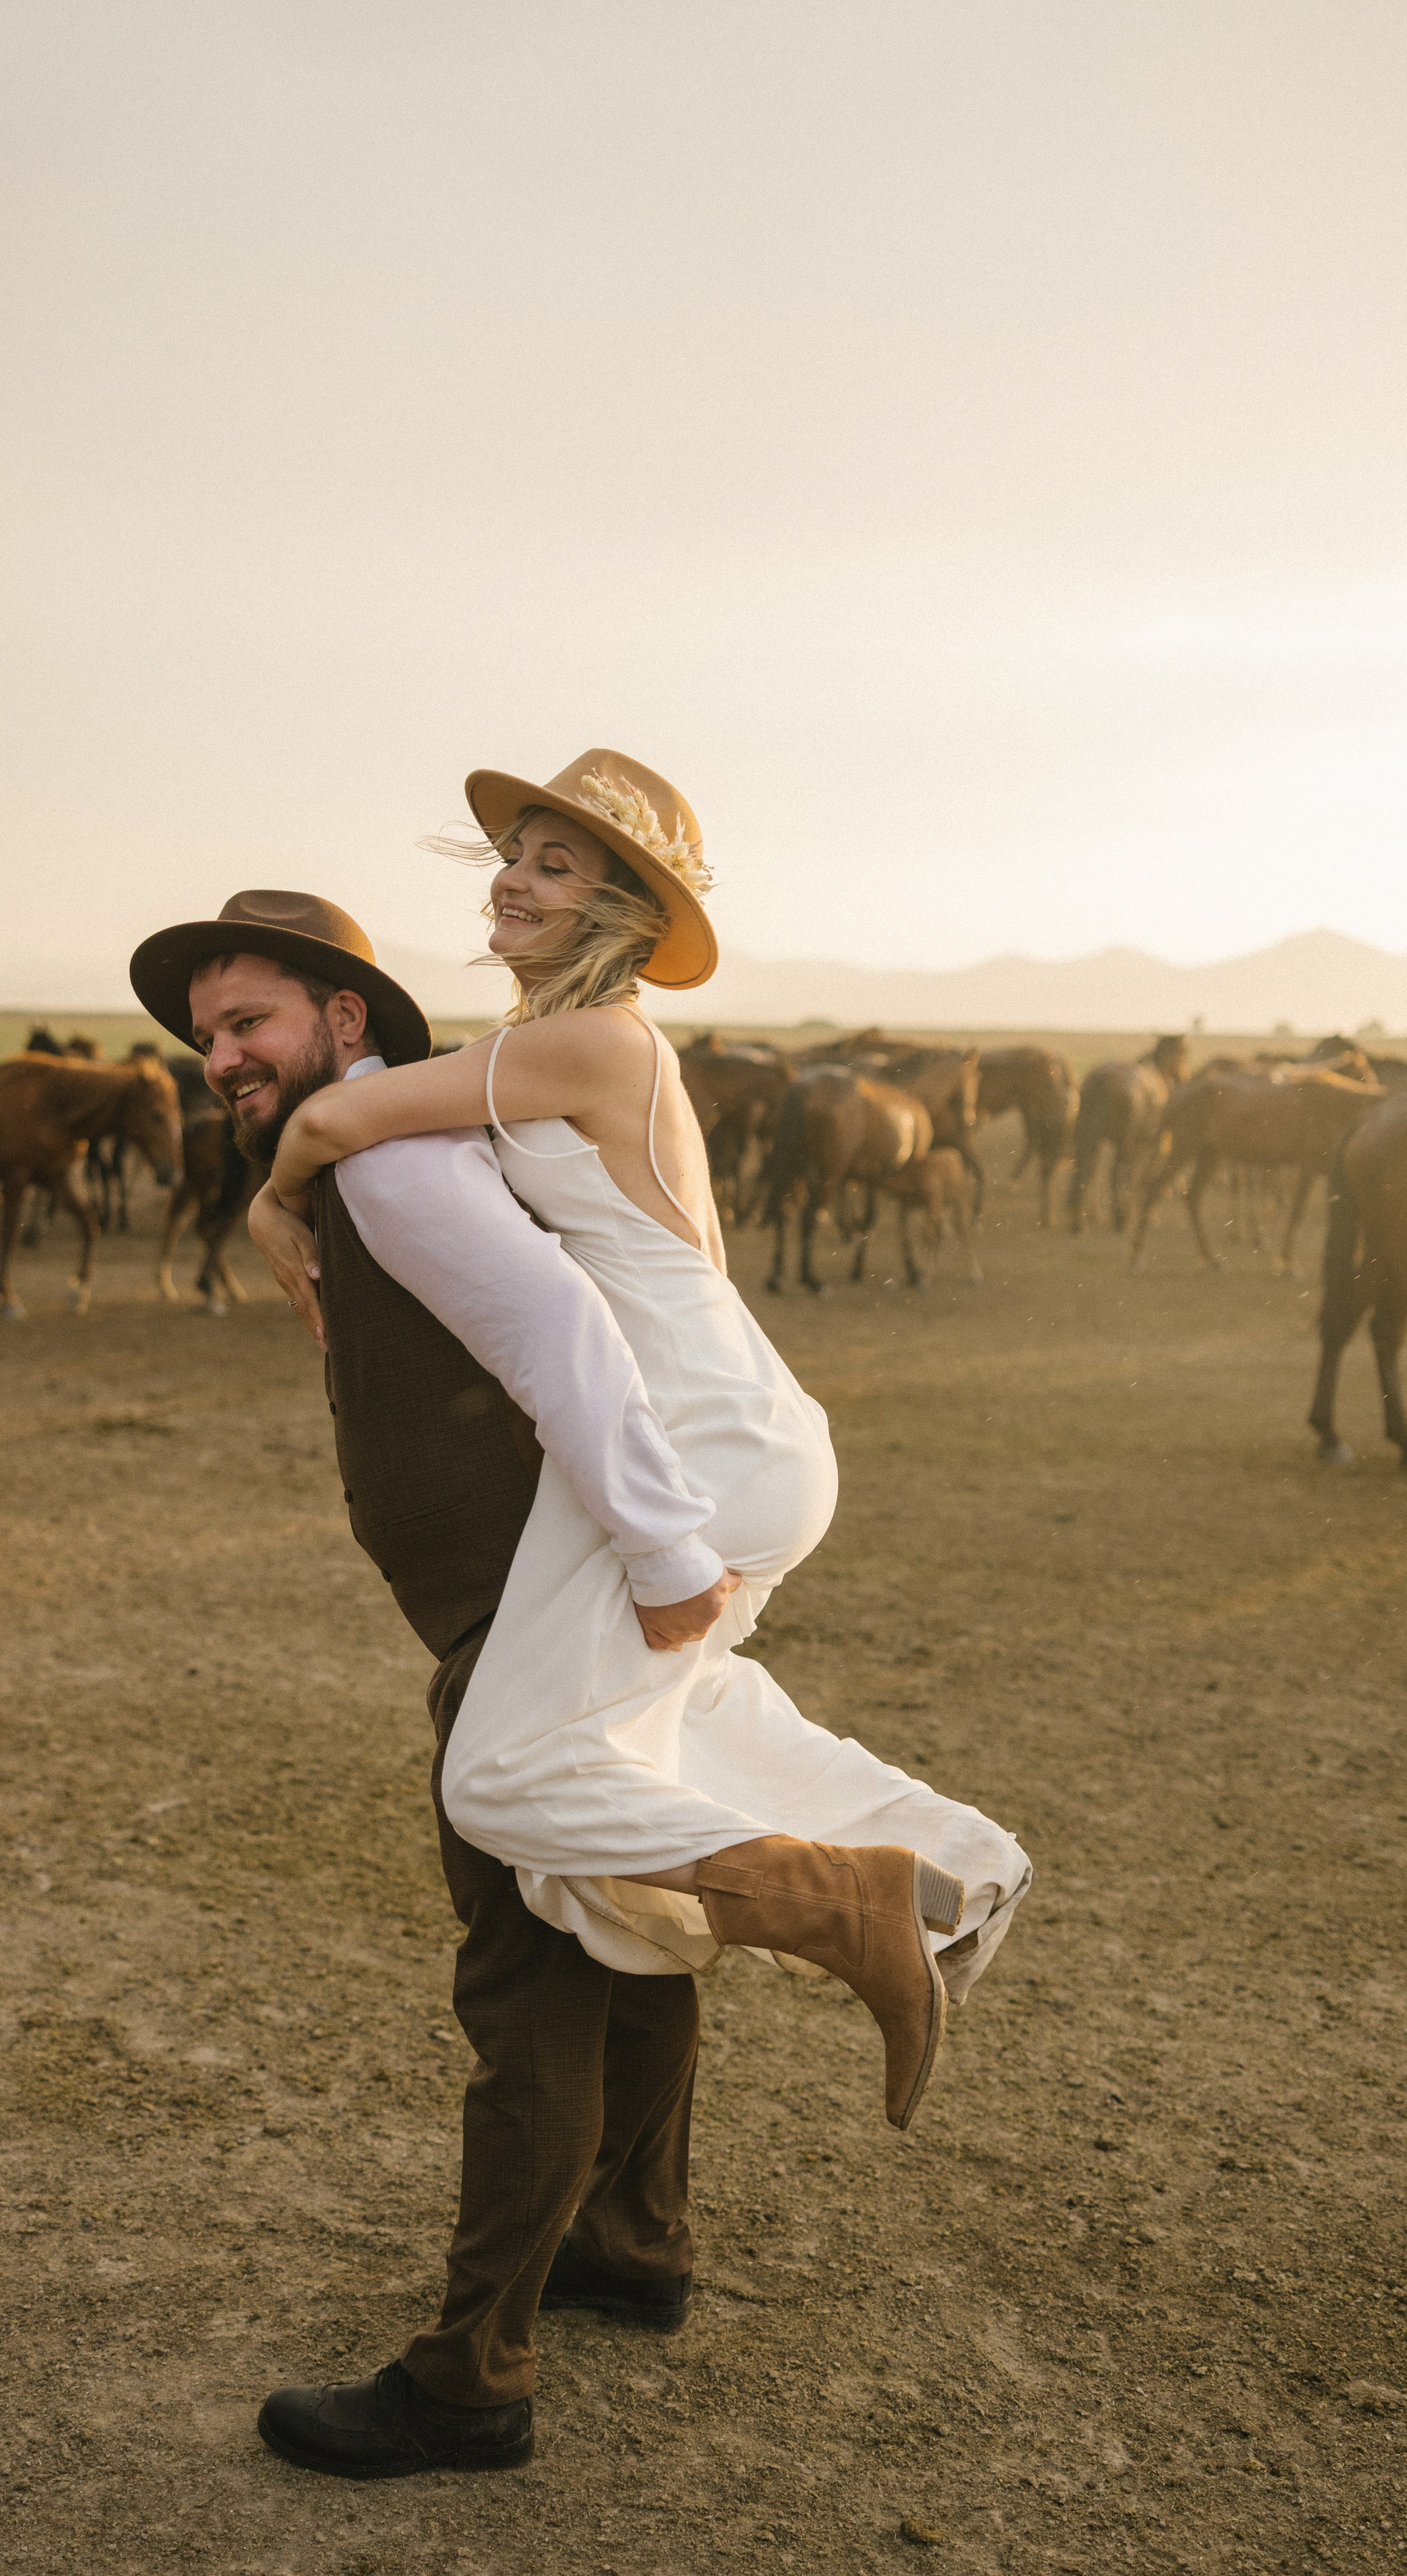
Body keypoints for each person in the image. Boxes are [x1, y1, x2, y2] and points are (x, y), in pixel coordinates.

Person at [250, 750, 1030, 2125]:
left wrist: (273, 1198)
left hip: (698, 1443)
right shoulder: (565, 1051)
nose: (515, 878)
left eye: (558, 866)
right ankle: (951, 1863)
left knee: (504, 1774)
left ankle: (854, 1906)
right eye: (517, 854)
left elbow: (332, 1111)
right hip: (735, 1423)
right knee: (686, 1713)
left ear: (621, 916)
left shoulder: (589, 1040)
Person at [131, 886, 741, 2482]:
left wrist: (668, 1557)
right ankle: (634, 2230)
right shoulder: (364, 1159)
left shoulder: (391, 1158)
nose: (217, 1055)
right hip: (537, 1596)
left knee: (525, 1957)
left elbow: (561, 1337)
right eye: (203, 1036)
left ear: (346, 1019)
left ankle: (472, 2377)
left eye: (245, 1021)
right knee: (612, 1904)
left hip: (530, 1616)